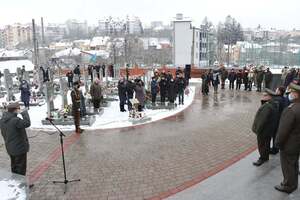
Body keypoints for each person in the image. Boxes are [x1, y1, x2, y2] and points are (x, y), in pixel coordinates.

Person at [274, 82, 300, 194]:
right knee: (294, 164)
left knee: (288, 165)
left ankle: (288, 185)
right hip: (297, 143)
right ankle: (293, 184)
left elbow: (283, 130)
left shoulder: (291, 109)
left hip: (289, 144)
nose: (290, 94)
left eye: (292, 92)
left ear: (296, 94)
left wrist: (278, 143)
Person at [0, 102, 31, 176]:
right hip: (19, 149)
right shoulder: (15, 120)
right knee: (21, 168)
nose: (19, 110)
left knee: (14, 166)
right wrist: (24, 113)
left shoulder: (2, 120)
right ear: (15, 110)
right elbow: (27, 123)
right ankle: (21, 185)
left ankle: (16, 184)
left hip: (10, 148)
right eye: (18, 109)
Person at [252, 89, 280, 166]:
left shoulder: (267, 106)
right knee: (266, 143)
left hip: (264, 130)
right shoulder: (274, 104)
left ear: (269, 97)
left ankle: (262, 158)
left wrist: (257, 130)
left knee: (262, 144)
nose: (263, 96)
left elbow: (262, 120)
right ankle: (265, 156)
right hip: (269, 129)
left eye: (265, 95)